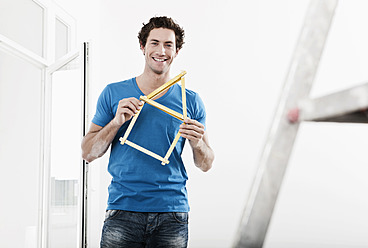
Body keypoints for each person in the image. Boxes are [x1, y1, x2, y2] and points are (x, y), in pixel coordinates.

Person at [81, 16, 214, 248]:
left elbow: (206, 164)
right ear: (143, 47)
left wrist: (198, 142)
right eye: (154, 43)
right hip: (123, 210)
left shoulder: (190, 101)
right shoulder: (113, 93)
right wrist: (115, 123)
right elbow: (88, 153)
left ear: (177, 50)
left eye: (168, 44)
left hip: (172, 213)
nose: (161, 50)